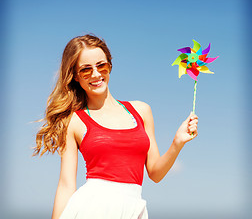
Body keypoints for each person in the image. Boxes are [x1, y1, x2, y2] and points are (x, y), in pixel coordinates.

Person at [34, 34, 198, 219]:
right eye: (86, 70)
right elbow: (66, 184)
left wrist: (178, 142)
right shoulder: (73, 121)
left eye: (101, 65)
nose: (96, 74)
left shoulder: (142, 111)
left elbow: (155, 173)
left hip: (133, 208)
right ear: (75, 77)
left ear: (110, 66)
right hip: (92, 209)